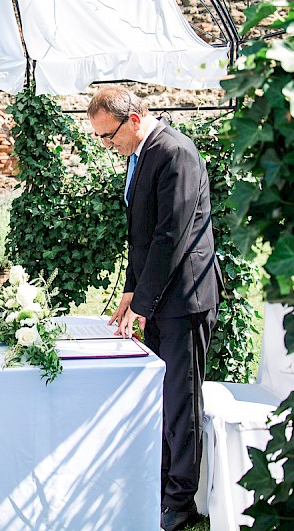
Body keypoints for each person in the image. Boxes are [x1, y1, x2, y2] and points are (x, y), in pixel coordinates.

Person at [87, 86, 221, 531]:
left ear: (135, 119)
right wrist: (130, 292)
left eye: (109, 136)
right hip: (161, 296)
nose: (108, 146)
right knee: (164, 398)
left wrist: (142, 305)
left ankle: (181, 499)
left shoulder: (176, 153)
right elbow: (140, 238)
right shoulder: (142, 154)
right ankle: (163, 483)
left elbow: (171, 238)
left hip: (185, 298)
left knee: (181, 400)